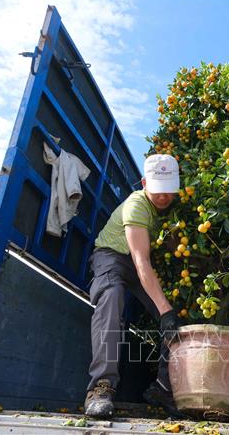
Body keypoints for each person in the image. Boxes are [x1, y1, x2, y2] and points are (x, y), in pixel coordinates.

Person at [84, 154, 181, 418]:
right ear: (144, 182)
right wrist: (164, 311)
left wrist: (168, 313)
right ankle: (101, 388)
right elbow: (141, 262)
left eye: (168, 190)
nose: (163, 197)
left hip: (139, 265)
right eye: (158, 190)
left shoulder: (172, 209)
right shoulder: (136, 204)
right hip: (112, 257)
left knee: (175, 318)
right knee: (112, 297)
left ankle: (163, 386)